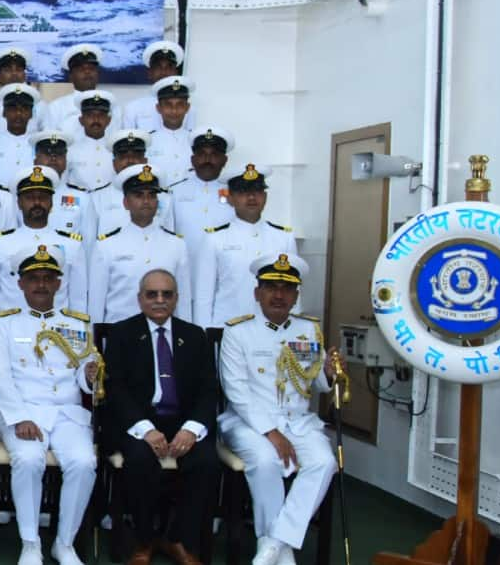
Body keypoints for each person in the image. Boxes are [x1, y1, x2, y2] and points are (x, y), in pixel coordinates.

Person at [218, 253, 340, 565]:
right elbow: (236, 391)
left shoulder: (310, 330)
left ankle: (275, 542)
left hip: (299, 422)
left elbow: (320, 385)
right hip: (247, 422)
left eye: (286, 289)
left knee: (325, 462)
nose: (279, 295)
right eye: (271, 287)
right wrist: (271, 433)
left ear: (296, 295)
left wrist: (328, 371)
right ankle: (278, 551)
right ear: (257, 293)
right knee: (265, 460)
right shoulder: (237, 331)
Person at [0, 246, 100, 565]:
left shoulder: (78, 324)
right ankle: (30, 542)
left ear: (59, 283)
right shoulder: (5, 324)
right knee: (28, 458)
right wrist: (20, 417)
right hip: (22, 412)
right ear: (20, 284)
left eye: (48, 278)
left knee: (83, 461)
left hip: (67, 414)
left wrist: (90, 377)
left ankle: (64, 542)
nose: (41, 285)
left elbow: (84, 375)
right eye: (33, 279)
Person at [103, 270, 219, 565]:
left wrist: (191, 430)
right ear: (140, 299)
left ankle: (177, 539)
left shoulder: (195, 336)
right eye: (152, 294)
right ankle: (144, 540)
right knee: (140, 460)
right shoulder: (121, 334)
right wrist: (146, 430)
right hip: (140, 421)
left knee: (205, 462)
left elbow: (209, 390)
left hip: (183, 421)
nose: (159, 300)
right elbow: (115, 388)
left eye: (167, 294)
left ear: (176, 299)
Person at [0, 166, 89, 321]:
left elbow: (78, 301)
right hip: (10, 333)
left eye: (43, 197)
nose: (37, 202)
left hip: (57, 333)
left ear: (51, 202)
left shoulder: (72, 245)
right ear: (19, 203)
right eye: (29, 198)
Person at [192, 164, 297, 328]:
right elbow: (203, 297)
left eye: (256, 191)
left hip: (272, 329)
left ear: (265, 196)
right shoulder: (215, 239)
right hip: (227, 329)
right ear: (231, 198)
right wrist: (204, 335)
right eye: (243, 192)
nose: (251, 197)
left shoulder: (284, 238)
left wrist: (292, 330)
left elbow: (293, 291)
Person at [87, 164, 192, 324]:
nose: (146, 201)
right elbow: (96, 304)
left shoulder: (176, 245)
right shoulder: (106, 246)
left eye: (151, 195)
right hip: (120, 336)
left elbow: (183, 303)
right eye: (138, 195)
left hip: (162, 337)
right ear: (126, 203)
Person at [89, 129, 177, 239]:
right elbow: (90, 242)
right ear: (114, 163)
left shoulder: (163, 197)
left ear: (145, 161)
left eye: (136, 155)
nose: (130, 161)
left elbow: (170, 238)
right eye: (123, 156)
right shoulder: (97, 198)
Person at [169, 126, 234, 257]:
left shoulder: (235, 193)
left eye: (214, 155)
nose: (207, 160)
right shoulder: (174, 192)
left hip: (223, 270)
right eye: (202, 154)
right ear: (192, 160)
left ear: (224, 160)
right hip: (186, 268)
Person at [27, 129, 95, 239]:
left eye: (59, 154)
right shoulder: (25, 196)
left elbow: (88, 243)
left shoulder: (82, 198)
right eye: (47, 153)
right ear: (36, 160)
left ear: (66, 160)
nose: (53, 159)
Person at [122, 42, 197, 132]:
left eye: (169, 67)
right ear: (149, 73)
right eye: (158, 67)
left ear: (176, 72)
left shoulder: (188, 109)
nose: (164, 72)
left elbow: (188, 140)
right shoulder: (133, 108)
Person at [44, 44, 116, 133]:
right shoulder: (56, 107)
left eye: (91, 68)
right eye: (81, 69)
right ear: (71, 76)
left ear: (98, 73)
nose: (87, 72)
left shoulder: (113, 107)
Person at [144, 77, 196, 186]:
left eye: (180, 105)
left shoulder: (196, 142)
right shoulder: (147, 142)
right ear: (158, 108)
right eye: (168, 105)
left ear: (187, 107)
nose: (174, 111)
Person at [63, 90, 117, 192]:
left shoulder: (117, 149)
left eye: (101, 115)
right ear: (81, 120)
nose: (96, 120)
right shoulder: (70, 150)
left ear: (109, 120)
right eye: (90, 115)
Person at [0, 48, 40, 135]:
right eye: (8, 70)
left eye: (19, 69)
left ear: (24, 75)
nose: (14, 74)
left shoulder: (40, 105)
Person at [0, 84, 41, 184]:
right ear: (4, 112)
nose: (18, 114)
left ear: (31, 114)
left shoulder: (38, 143)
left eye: (24, 109)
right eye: (13, 109)